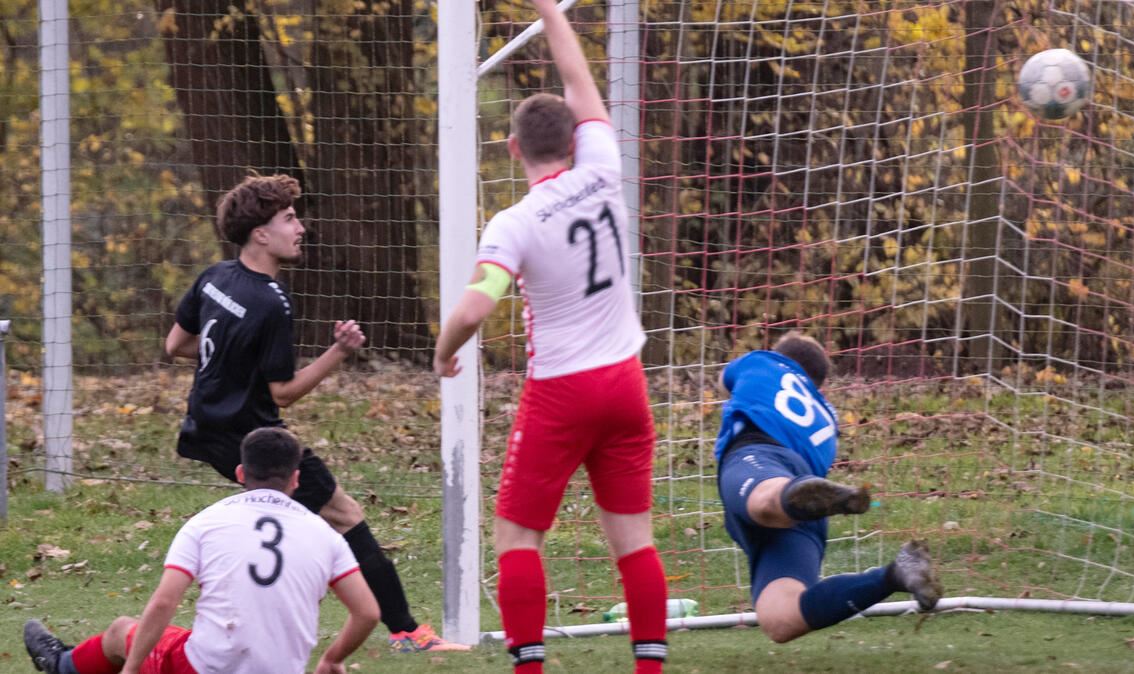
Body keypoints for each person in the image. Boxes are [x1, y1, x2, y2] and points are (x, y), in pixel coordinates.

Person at [433, 2, 667, 672]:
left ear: (513, 149)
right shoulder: (602, 167)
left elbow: (477, 307)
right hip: (626, 382)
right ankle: (650, 667)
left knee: (516, 535)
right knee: (634, 540)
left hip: (562, 392)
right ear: (574, 139)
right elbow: (578, 77)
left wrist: (444, 350)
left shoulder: (515, 222)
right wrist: (546, 9)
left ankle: (529, 668)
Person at [162, 174, 466, 652]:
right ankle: (408, 633)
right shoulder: (271, 301)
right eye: (288, 219)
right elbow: (282, 393)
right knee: (345, 516)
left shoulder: (214, 276)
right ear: (261, 234)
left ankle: (255, 618)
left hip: (205, 428)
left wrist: (231, 363)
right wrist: (340, 351)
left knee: (281, 519)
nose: (300, 228)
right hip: (254, 440)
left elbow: (176, 343)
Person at [23, 427, 379, 674]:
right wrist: (332, 659)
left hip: (203, 666)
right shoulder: (324, 533)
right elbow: (366, 612)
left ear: (241, 473)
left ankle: (62, 665)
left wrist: (132, 667)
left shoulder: (207, 523)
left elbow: (164, 603)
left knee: (120, 631)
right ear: (296, 479)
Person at [716, 331, 943, 644]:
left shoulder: (761, 363)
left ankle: (790, 494)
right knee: (781, 620)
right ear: (819, 385)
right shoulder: (827, 420)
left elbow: (722, 381)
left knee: (763, 503)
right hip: (804, 506)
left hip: (757, 457)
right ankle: (896, 573)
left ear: (779, 356)